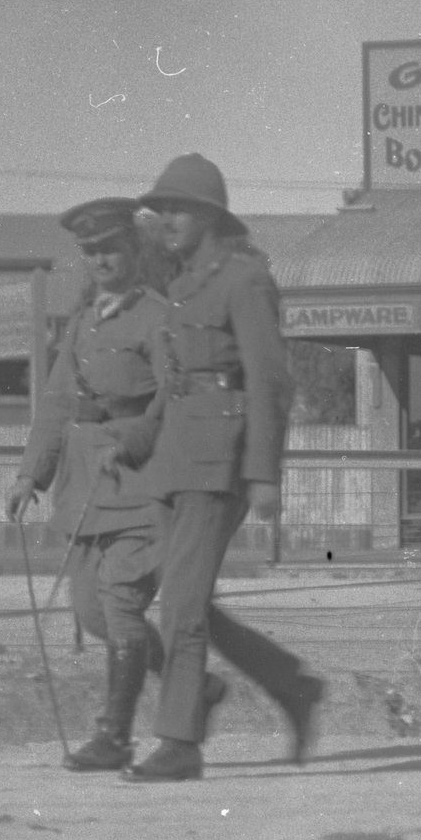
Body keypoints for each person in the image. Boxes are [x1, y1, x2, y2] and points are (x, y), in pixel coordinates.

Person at [112, 154, 324, 781]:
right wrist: (135, 441)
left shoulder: (243, 279)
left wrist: (265, 471)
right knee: (183, 597)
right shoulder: (180, 287)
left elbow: (270, 380)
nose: (164, 219)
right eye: (161, 208)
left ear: (209, 217)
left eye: (177, 208)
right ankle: (290, 684)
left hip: (219, 464)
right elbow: (173, 385)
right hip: (175, 460)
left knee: (180, 604)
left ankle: (180, 742)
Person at [3, 198, 170, 771]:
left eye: (111, 248)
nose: (102, 259)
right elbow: (55, 405)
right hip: (84, 490)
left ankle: (113, 738)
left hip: (142, 486)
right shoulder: (82, 324)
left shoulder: (159, 318)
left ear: (134, 251)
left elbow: (180, 398)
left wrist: (136, 437)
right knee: (92, 614)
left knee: (121, 605)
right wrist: (31, 475)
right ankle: (193, 688)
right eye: (91, 251)